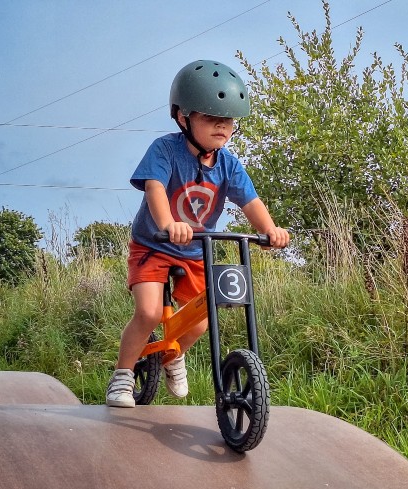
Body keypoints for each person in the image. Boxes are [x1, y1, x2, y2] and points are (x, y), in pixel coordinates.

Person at [106, 59, 290, 408]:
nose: (223, 126)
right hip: (153, 245)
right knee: (147, 313)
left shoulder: (228, 164)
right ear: (183, 117)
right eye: (211, 118)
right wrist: (167, 224)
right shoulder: (165, 150)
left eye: (229, 120)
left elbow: (250, 201)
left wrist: (269, 231)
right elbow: (155, 188)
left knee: (200, 324)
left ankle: (172, 356)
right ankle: (123, 375)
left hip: (194, 252)